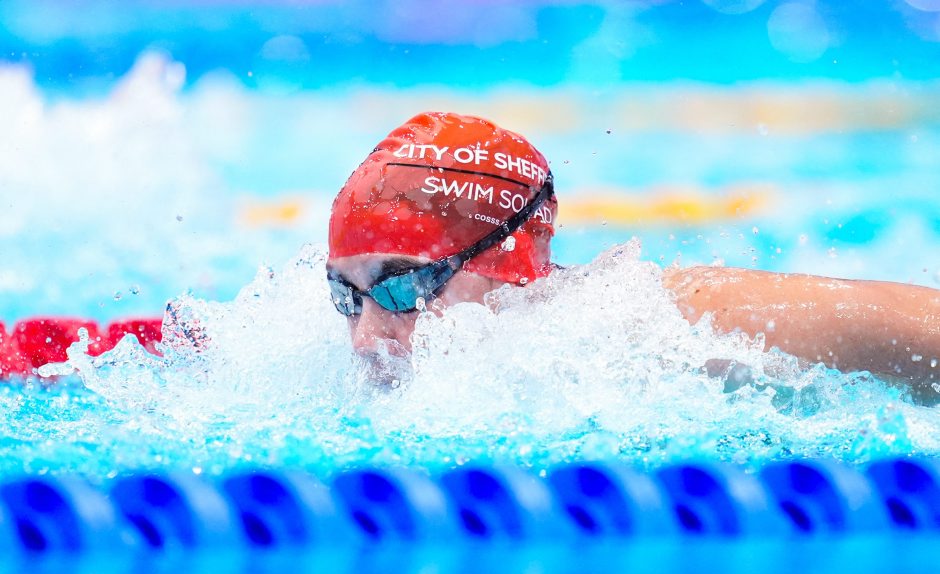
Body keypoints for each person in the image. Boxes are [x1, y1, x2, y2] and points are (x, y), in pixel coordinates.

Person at [326, 112, 940, 400]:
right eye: (345, 296)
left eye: (401, 287)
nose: (365, 339)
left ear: (503, 265)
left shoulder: (664, 323)